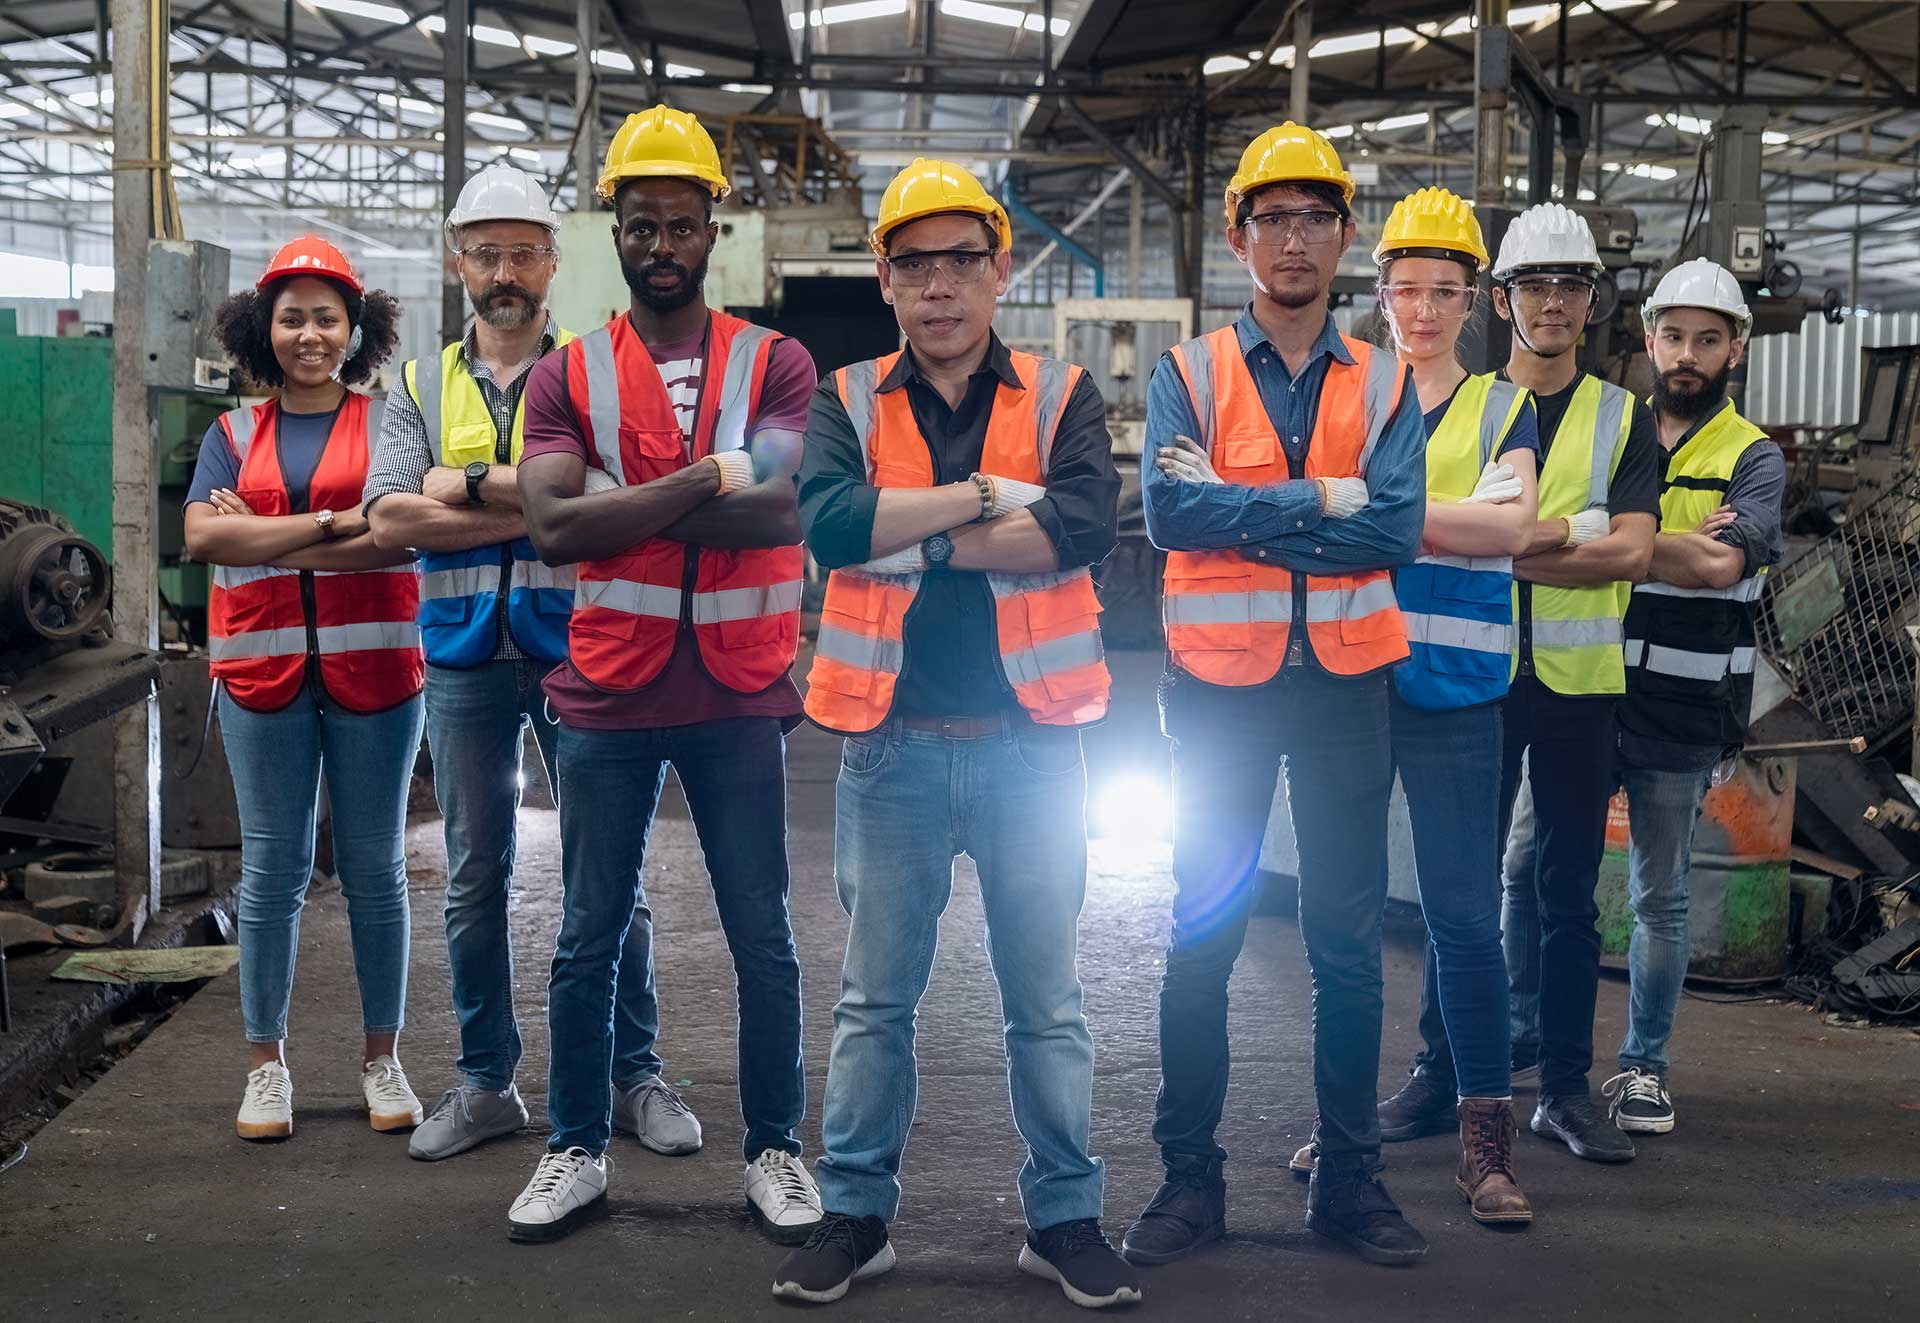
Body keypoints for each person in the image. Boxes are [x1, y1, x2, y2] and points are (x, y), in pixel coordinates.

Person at [773, 159, 1135, 1310]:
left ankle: (1065, 1217)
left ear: (1000, 269)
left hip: (1033, 747)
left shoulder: (1063, 392)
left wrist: (912, 534)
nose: (939, 285)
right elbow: (832, 527)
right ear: (885, 278)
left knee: (1050, 1004)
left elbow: (1081, 532)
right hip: (892, 749)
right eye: (915, 263)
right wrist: (987, 499)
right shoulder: (847, 396)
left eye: (961, 260)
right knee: (875, 1003)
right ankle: (856, 1216)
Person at [505, 105, 819, 1246]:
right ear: (617, 233)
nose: (662, 245)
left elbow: (790, 505)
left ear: (712, 231)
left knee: (763, 934)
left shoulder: (776, 363)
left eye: (682, 224)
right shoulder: (567, 376)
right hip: (610, 691)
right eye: (642, 225)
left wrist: (623, 505)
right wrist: (704, 485)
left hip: (737, 690)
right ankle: (576, 1149)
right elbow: (551, 529)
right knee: (588, 933)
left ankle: (776, 1151)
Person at [1120, 123, 1429, 1270]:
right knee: (1200, 939)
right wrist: (1319, 502)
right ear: (1240, 234)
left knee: (1345, 945)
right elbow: (1166, 518)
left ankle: (1348, 1183)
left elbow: (1393, 530)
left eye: (1315, 217)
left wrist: (1254, 506)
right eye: (1273, 218)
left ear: (1345, 236)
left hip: (1346, 689)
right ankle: (1187, 1181)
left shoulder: (1388, 379)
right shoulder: (1187, 372)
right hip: (1219, 693)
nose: (1293, 239)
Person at [364, 165, 673, 1163]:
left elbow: (612, 496)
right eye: (486, 252)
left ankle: (634, 1076)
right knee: (472, 877)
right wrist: (535, 498)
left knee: (612, 875)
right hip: (460, 664)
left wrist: (460, 488)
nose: (505, 271)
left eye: (523, 252)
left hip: (582, 652)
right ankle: (487, 1082)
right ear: (459, 262)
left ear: (553, 261)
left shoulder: (595, 372)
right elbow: (389, 516)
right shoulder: (415, 383)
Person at [1376, 203, 1658, 1166]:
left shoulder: (1623, 416)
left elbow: (1631, 550)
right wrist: (1549, 536)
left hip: (1580, 682)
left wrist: (1499, 542)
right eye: (1533, 284)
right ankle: (1439, 1073)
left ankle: (1565, 1093)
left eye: (1569, 285)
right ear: (1499, 301)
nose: (1551, 301)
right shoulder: (1470, 404)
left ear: (1593, 301)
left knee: (1567, 890)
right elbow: (1426, 531)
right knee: (1458, 890)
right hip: (1480, 674)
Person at [1294, 187, 1539, 1226]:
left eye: (1445, 290)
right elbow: (1307, 523)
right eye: (1407, 289)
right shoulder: (1348, 394)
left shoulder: (1502, 406)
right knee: (1340, 921)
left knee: (1463, 920)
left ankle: (1486, 1149)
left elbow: (1512, 531)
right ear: (1381, 293)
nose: (1425, 309)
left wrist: (1378, 512)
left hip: (1457, 697)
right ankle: (1346, 1133)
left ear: (1475, 298)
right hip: (1349, 681)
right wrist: (1447, 519)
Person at [182, 237, 424, 1142]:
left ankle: (381, 1057)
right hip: (261, 677)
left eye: (327, 317)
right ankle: (266, 1066)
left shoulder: (393, 423)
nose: (309, 334)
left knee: (375, 870)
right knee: (273, 871)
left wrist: (272, 529)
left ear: (355, 328)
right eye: (292, 318)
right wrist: (333, 522)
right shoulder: (231, 432)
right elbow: (204, 540)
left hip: (379, 676)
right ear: (264, 328)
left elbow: (399, 538)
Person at [1599, 258, 1785, 1134]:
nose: (1687, 353)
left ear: (1734, 348)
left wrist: (1617, 534)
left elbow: (1722, 567)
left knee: (1660, 895)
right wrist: (1675, 539)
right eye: (1673, 335)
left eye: (1707, 339)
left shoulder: (1753, 457)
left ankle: (1645, 1067)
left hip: (1682, 705)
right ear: (1648, 339)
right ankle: (1523, 1043)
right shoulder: (1609, 432)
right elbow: (1548, 533)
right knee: (1526, 871)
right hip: (1585, 686)